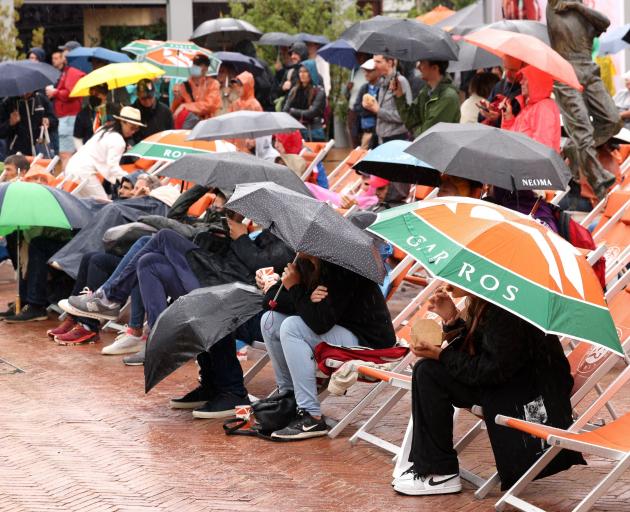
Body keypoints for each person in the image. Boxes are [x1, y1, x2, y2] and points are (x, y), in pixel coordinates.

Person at [392, 285, 584, 496]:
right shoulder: (490, 301)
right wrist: (452, 320)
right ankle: (435, 466)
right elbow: (481, 350)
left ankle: (439, 472)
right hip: (508, 382)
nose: (446, 284)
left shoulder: (506, 310)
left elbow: (490, 370)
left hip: (526, 395)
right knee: (428, 370)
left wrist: (441, 355)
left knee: (429, 372)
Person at [260, 254, 396, 440]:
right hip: (337, 330)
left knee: (292, 327)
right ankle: (289, 398)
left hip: (368, 341)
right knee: (270, 320)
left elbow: (319, 323)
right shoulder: (302, 262)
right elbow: (270, 300)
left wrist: (296, 288)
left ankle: (311, 415)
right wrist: (306, 296)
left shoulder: (341, 266)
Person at [547, 0, 622, 200]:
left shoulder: (582, 11)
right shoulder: (556, 5)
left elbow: (604, 23)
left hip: (589, 69)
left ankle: (575, 147)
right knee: (583, 131)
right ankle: (599, 180)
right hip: (566, 72)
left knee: (612, 121)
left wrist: (578, 7)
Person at [64, 106, 145, 201]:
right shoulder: (118, 140)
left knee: (79, 204)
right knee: (104, 204)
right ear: (122, 122)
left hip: (72, 166)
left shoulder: (104, 129)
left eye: (136, 129)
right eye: (132, 128)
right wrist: (131, 179)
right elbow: (113, 167)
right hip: (84, 171)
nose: (133, 132)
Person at [393, 60, 461, 138]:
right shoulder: (425, 92)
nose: (418, 67)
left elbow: (427, 133)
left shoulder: (448, 97)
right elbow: (410, 120)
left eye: (422, 62)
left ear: (435, 68)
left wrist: (414, 131)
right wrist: (399, 95)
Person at [501, 65, 561, 152]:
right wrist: (509, 119)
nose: (521, 82)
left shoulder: (544, 108)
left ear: (535, 81)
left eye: (525, 79)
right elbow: (511, 138)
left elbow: (542, 149)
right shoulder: (530, 106)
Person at [45, 41, 86, 169]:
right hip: (67, 116)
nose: (63, 54)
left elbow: (71, 93)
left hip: (68, 117)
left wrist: (55, 92)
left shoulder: (73, 71)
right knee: (67, 153)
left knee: (65, 154)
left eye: (65, 51)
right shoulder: (69, 70)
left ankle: (66, 183)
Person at [363, 55, 411, 146]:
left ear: (389, 63)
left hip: (396, 139)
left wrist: (378, 110)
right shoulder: (383, 82)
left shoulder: (400, 81)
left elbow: (405, 116)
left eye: (378, 62)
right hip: (382, 139)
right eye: (374, 62)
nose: (374, 65)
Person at [0, 90, 58, 157]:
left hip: (40, 151)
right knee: (19, 168)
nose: (25, 93)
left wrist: (48, 121)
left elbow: (55, 121)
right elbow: (1, 132)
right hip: (17, 153)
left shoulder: (41, 99)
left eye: (28, 90)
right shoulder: (7, 103)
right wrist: (10, 122)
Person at [171, 53, 221, 128]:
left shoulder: (213, 84)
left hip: (207, 125)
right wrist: (177, 97)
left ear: (206, 68)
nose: (195, 66)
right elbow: (175, 110)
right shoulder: (184, 85)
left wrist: (186, 106)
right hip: (188, 126)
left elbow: (210, 105)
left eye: (198, 65)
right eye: (194, 64)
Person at [283, 60, 326, 142]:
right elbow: (285, 109)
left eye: (305, 71)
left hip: (313, 132)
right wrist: (302, 112)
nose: (302, 74)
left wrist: (293, 111)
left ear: (311, 73)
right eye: (300, 72)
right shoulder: (294, 90)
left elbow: (311, 113)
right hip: (296, 131)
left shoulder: (319, 91)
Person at [478, 56, 523, 127]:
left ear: (523, 69)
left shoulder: (525, 91)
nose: (507, 74)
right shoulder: (500, 85)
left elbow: (519, 124)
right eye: (505, 68)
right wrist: (485, 111)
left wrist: (498, 118)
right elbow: (481, 117)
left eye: (513, 70)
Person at [131, 79, 174, 144]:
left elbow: (171, 133)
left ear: (154, 94)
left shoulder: (165, 111)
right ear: (138, 96)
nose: (147, 101)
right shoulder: (131, 111)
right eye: (143, 98)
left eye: (150, 97)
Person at [352, 58, 380, 149]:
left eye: (370, 71)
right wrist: (370, 109)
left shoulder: (382, 87)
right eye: (365, 71)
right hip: (365, 131)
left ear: (377, 71)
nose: (366, 73)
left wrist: (373, 109)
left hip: (378, 131)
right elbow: (356, 107)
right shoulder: (364, 88)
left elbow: (381, 109)